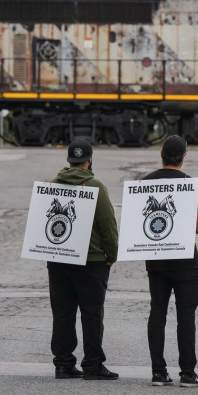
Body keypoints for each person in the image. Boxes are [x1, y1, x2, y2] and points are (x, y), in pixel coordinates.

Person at [48, 139, 120, 380]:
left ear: (69, 161)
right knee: (92, 313)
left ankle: (63, 364)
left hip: (58, 259)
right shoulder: (95, 186)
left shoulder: (53, 184)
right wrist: (112, 255)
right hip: (91, 261)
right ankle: (92, 364)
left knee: (62, 313)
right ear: (90, 160)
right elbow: (107, 226)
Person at [142, 135, 198, 388]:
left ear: (160, 154)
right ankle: (188, 374)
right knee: (186, 316)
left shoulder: (145, 182)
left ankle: (158, 372)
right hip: (184, 262)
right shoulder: (190, 184)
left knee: (157, 312)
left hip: (156, 260)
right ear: (183, 158)